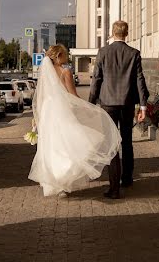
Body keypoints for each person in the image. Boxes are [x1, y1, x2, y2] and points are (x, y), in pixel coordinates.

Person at [28, 44, 120, 196]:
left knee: (52, 146)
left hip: (47, 112)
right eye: (64, 55)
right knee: (70, 144)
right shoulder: (66, 72)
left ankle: (57, 184)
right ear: (58, 57)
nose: (67, 58)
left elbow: (41, 97)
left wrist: (36, 117)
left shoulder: (45, 74)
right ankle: (63, 179)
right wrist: (89, 109)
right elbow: (73, 96)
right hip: (62, 110)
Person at [89, 20, 149, 199]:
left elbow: (96, 80)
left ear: (112, 33)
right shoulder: (134, 53)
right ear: (127, 33)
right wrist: (143, 106)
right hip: (127, 103)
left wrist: (91, 104)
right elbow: (140, 80)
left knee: (110, 144)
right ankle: (127, 178)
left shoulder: (103, 52)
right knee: (127, 141)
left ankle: (114, 187)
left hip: (107, 103)